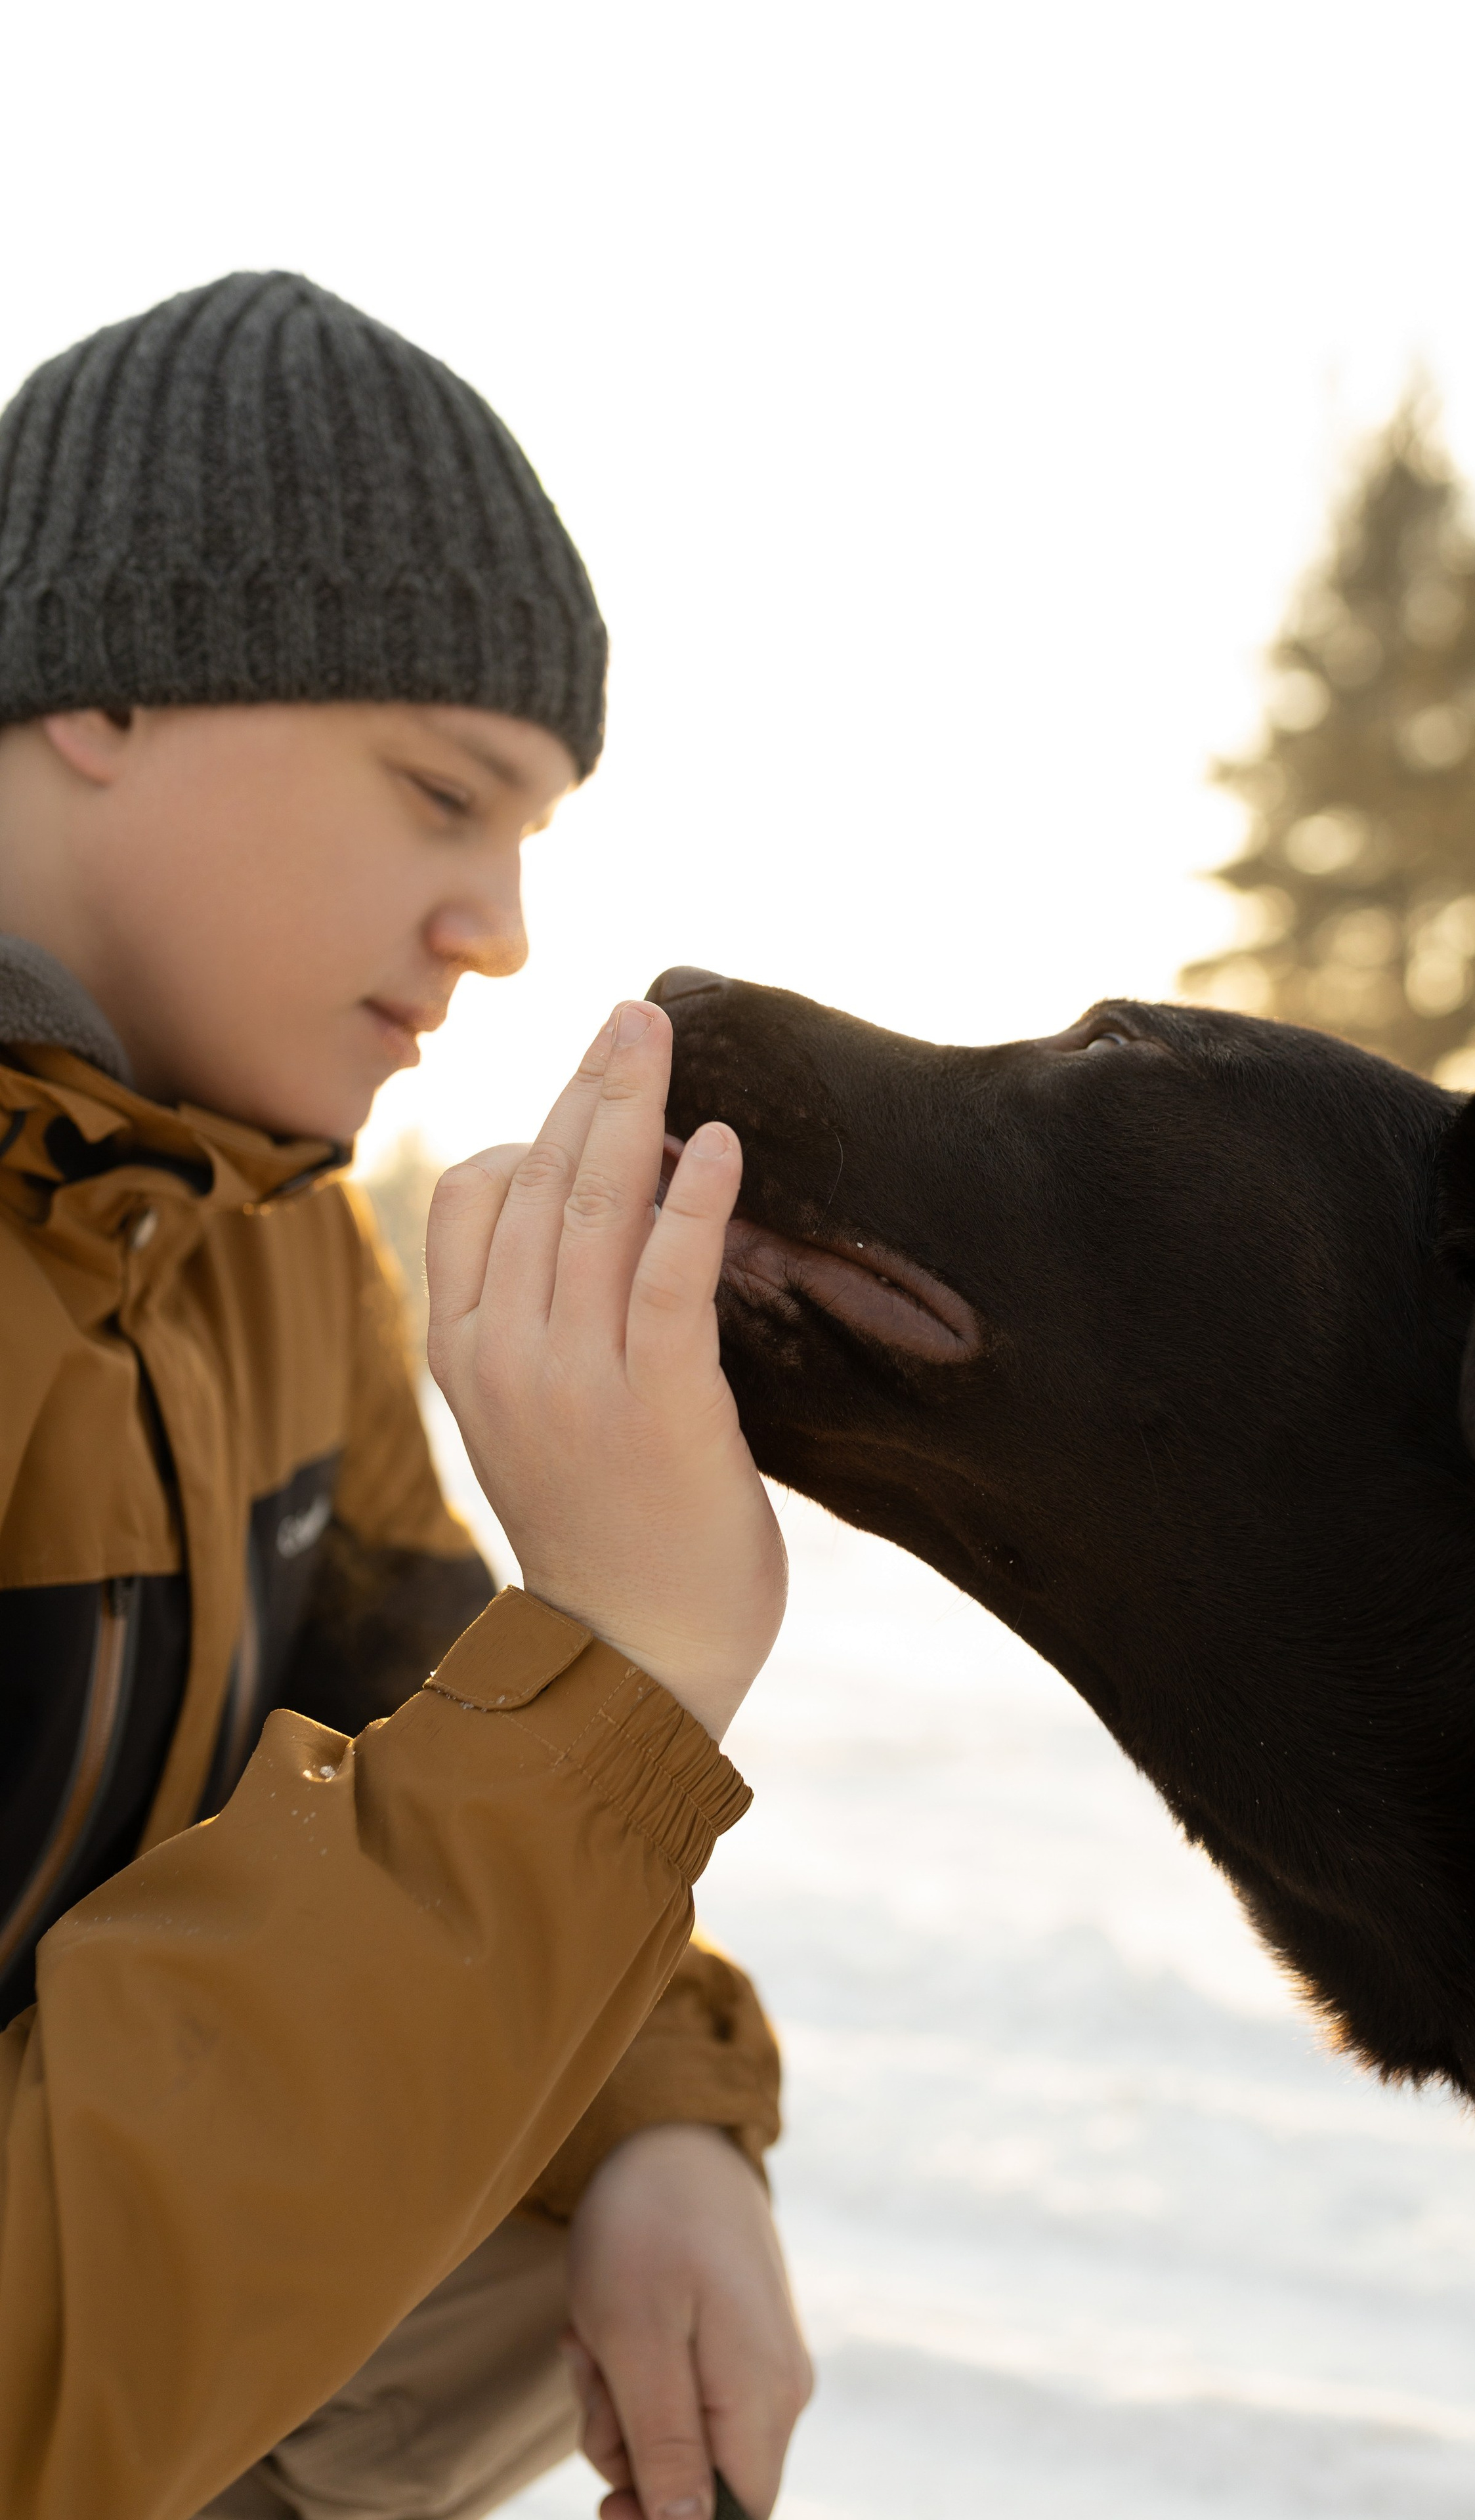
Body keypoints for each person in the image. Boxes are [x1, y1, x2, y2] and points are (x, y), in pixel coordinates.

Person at [0, 273, 809, 2520]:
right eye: (448, 793)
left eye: (538, 829)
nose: (504, 926)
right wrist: (638, 1655)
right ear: (109, 691)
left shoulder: (261, 1239)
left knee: (565, 2213)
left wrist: (659, 2124)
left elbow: (404, 1696)